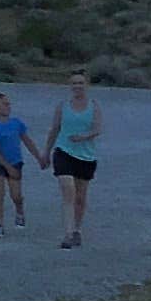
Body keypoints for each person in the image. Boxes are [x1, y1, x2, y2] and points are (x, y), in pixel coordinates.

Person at [44, 74, 105, 249]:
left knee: (80, 196)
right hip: (63, 151)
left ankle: (77, 229)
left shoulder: (94, 106)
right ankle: (68, 234)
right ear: (70, 86)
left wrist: (84, 136)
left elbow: (97, 128)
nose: (77, 86)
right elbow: (54, 129)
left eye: (81, 83)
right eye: (74, 83)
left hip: (86, 156)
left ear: (87, 85)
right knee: (68, 190)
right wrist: (46, 152)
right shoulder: (62, 106)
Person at [0, 92, 32, 235]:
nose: (8, 106)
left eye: (8, 103)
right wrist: (7, 167)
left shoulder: (17, 123)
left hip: (15, 162)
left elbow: (27, 141)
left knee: (16, 195)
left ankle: (20, 211)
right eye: (4, 104)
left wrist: (40, 157)